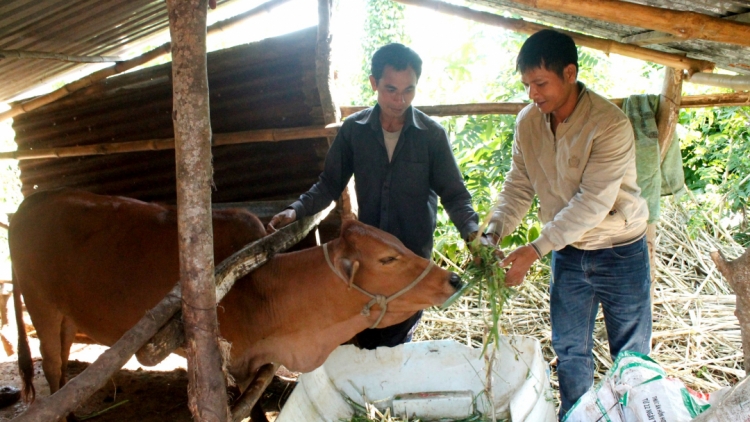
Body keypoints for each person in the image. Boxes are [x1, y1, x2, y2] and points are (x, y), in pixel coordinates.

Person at [267, 43, 486, 350]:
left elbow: (455, 196)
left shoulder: (431, 136)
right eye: (390, 89)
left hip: (410, 262)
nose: (400, 100)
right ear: (374, 83)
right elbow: (329, 183)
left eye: (409, 90)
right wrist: (296, 210)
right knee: (363, 334)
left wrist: (474, 236)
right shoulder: (354, 131)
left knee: (396, 340)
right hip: (368, 263)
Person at [487, 29, 652, 419]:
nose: (533, 94)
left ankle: (636, 414)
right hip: (569, 254)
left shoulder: (609, 124)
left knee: (631, 356)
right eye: (527, 84)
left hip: (620, 249)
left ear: (570, 73)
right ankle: (576, 415)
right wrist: (493, 230)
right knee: (569, 350)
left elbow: (592, 202)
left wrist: (534, 249)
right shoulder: (528, 122)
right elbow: (518, 185)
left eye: (541, 83)